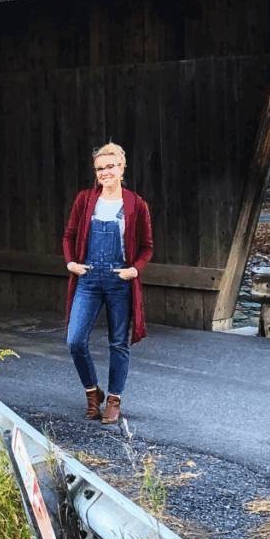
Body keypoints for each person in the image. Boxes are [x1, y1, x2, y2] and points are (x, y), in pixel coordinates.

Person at [63, 143, 153, 424]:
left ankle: (114, 399)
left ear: (122, 167)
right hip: (88, 278)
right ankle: (93, 393)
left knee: (118, 343)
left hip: (118, 280)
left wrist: (134, 271)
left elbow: (147, 247)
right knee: (75, 340)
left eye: (110, 166)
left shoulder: (136, 204)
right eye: (100, 169)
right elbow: (68, 236)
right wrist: (71, 264)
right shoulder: (84, 200)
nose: (105, 172)